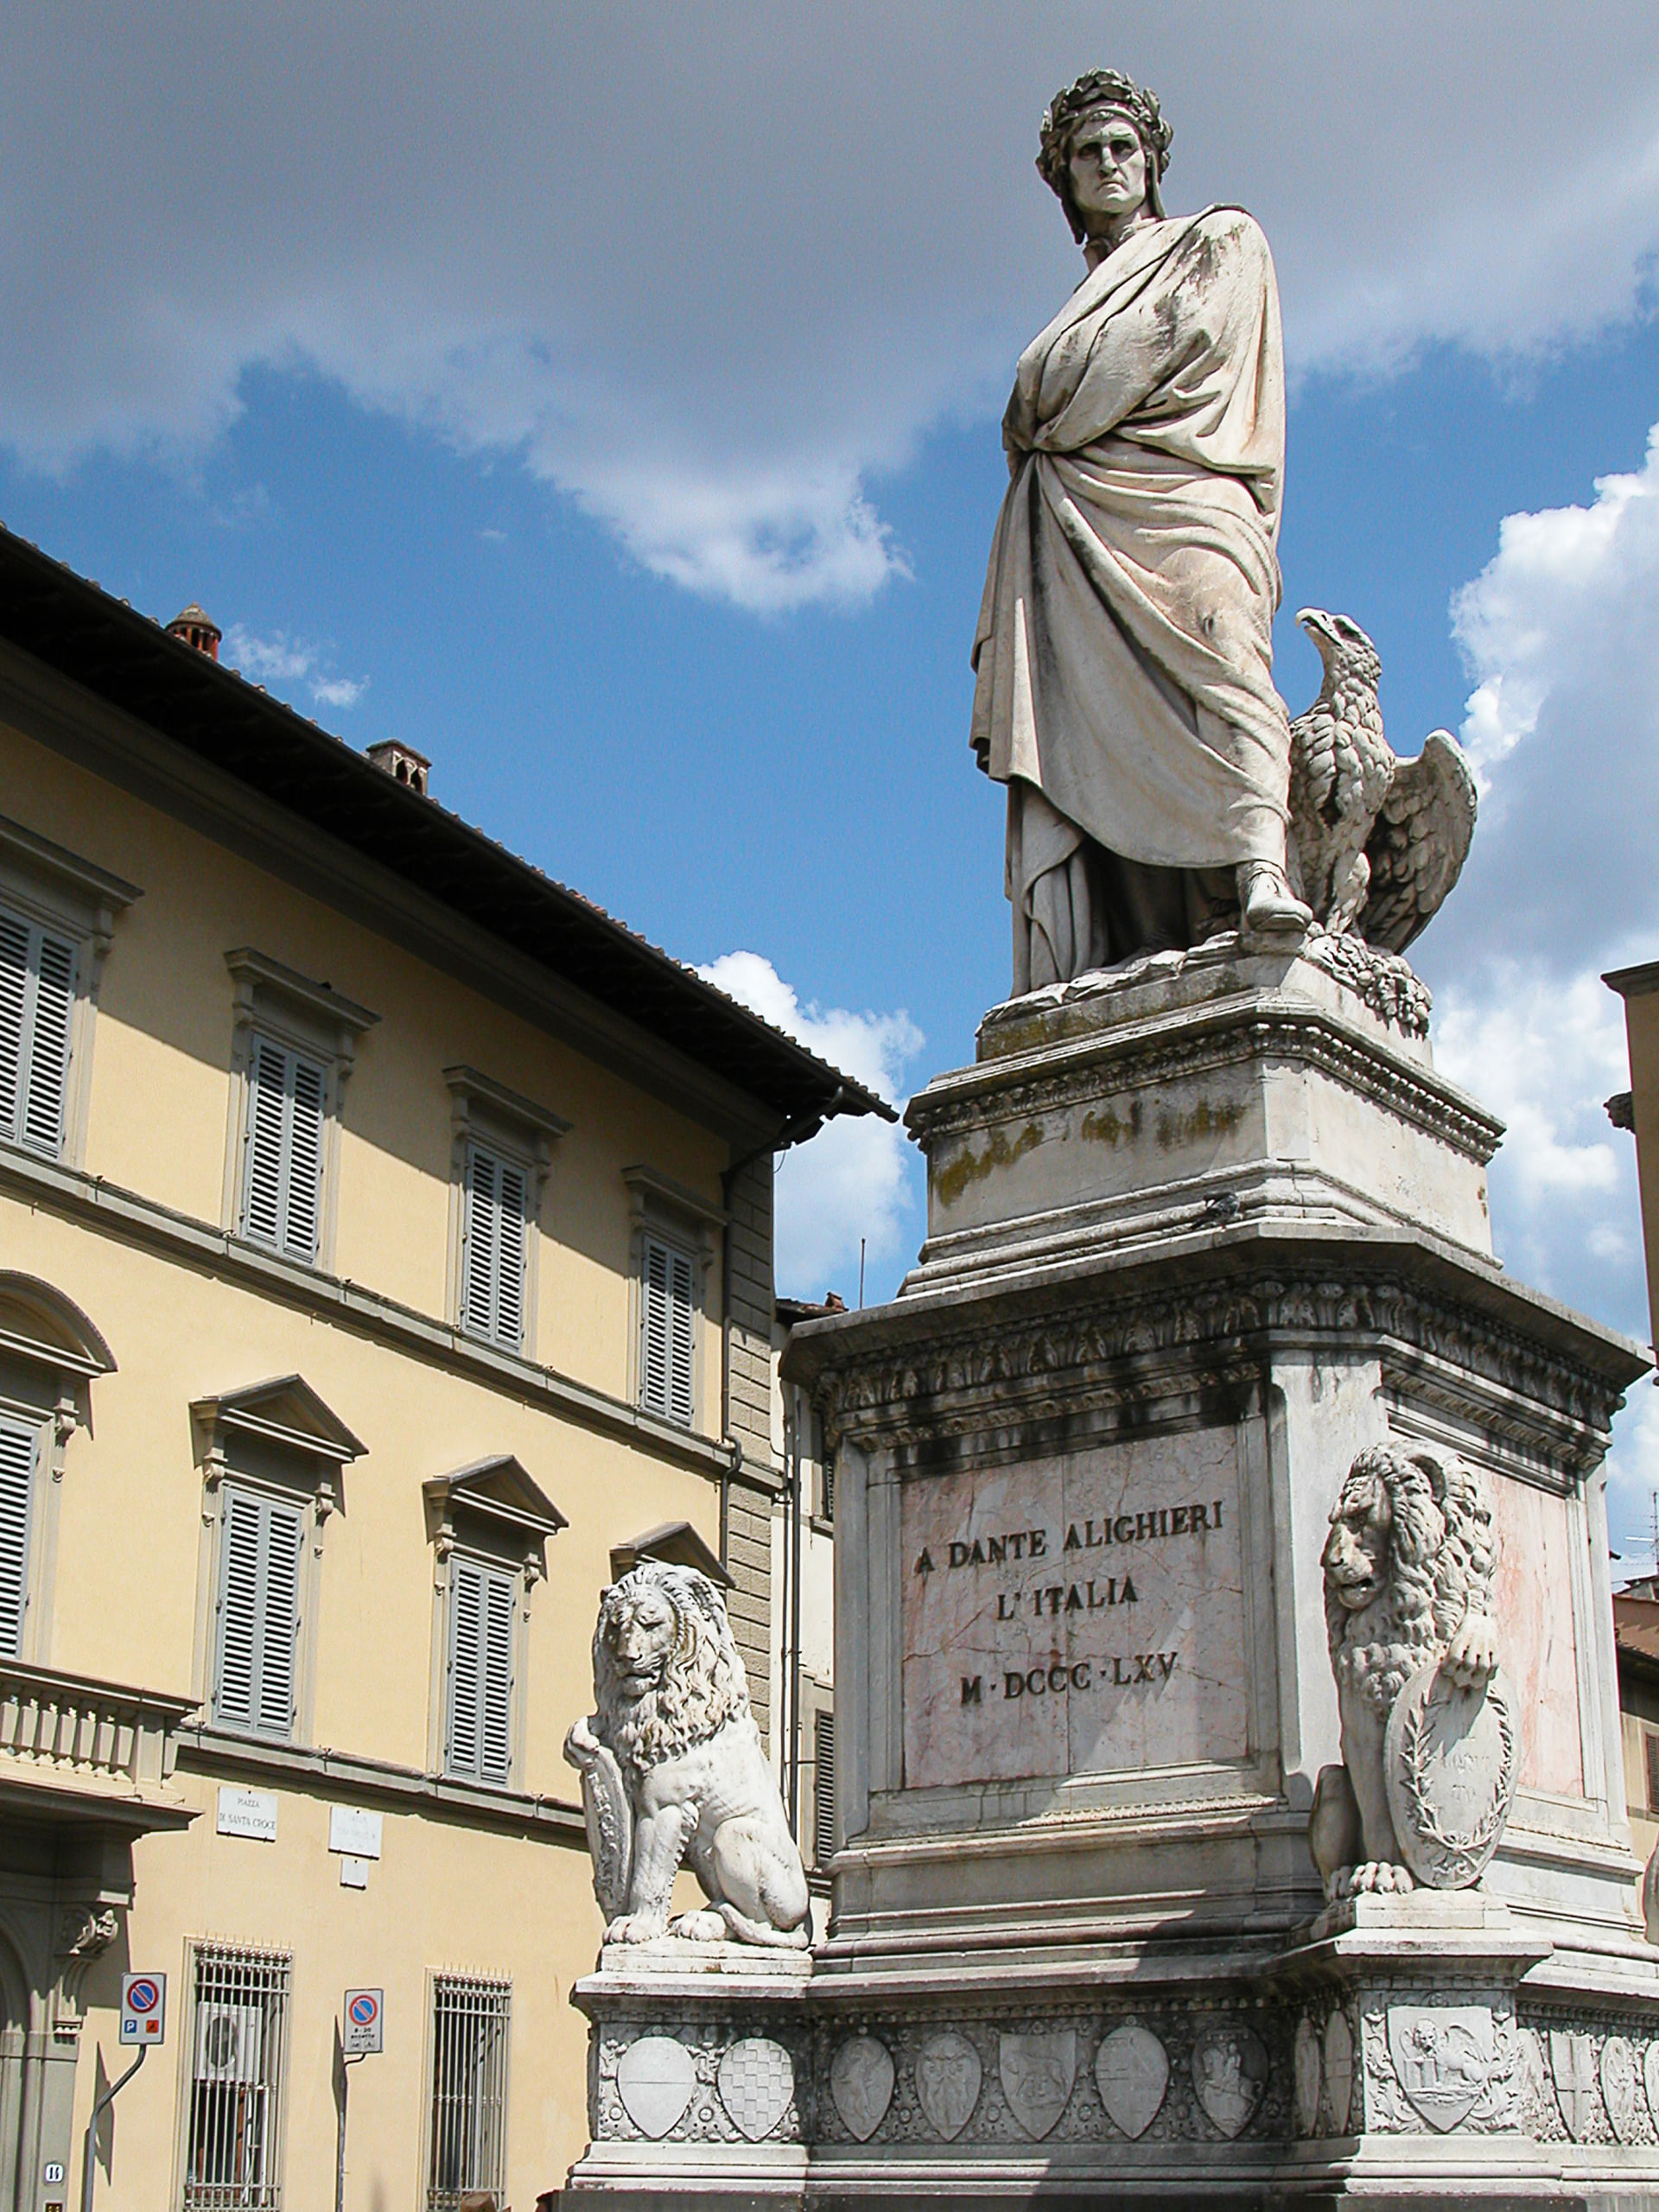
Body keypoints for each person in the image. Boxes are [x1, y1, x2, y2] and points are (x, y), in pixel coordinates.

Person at [971, 68, 1311, 993]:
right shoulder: (1077, 306)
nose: (1109, 163)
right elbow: (1042, 399)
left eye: (1124, 146)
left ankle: (1260, 873)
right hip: (1074, 531)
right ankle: (1111, 945)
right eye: (1088, 153)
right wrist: (1045, 404)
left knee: (1226, 653)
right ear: (1065, 181)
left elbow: (1165, 346)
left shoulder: (1218, 239)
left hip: (1194, 496)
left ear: (1154, 161)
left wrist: (1047, 402)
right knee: (1083, 724)